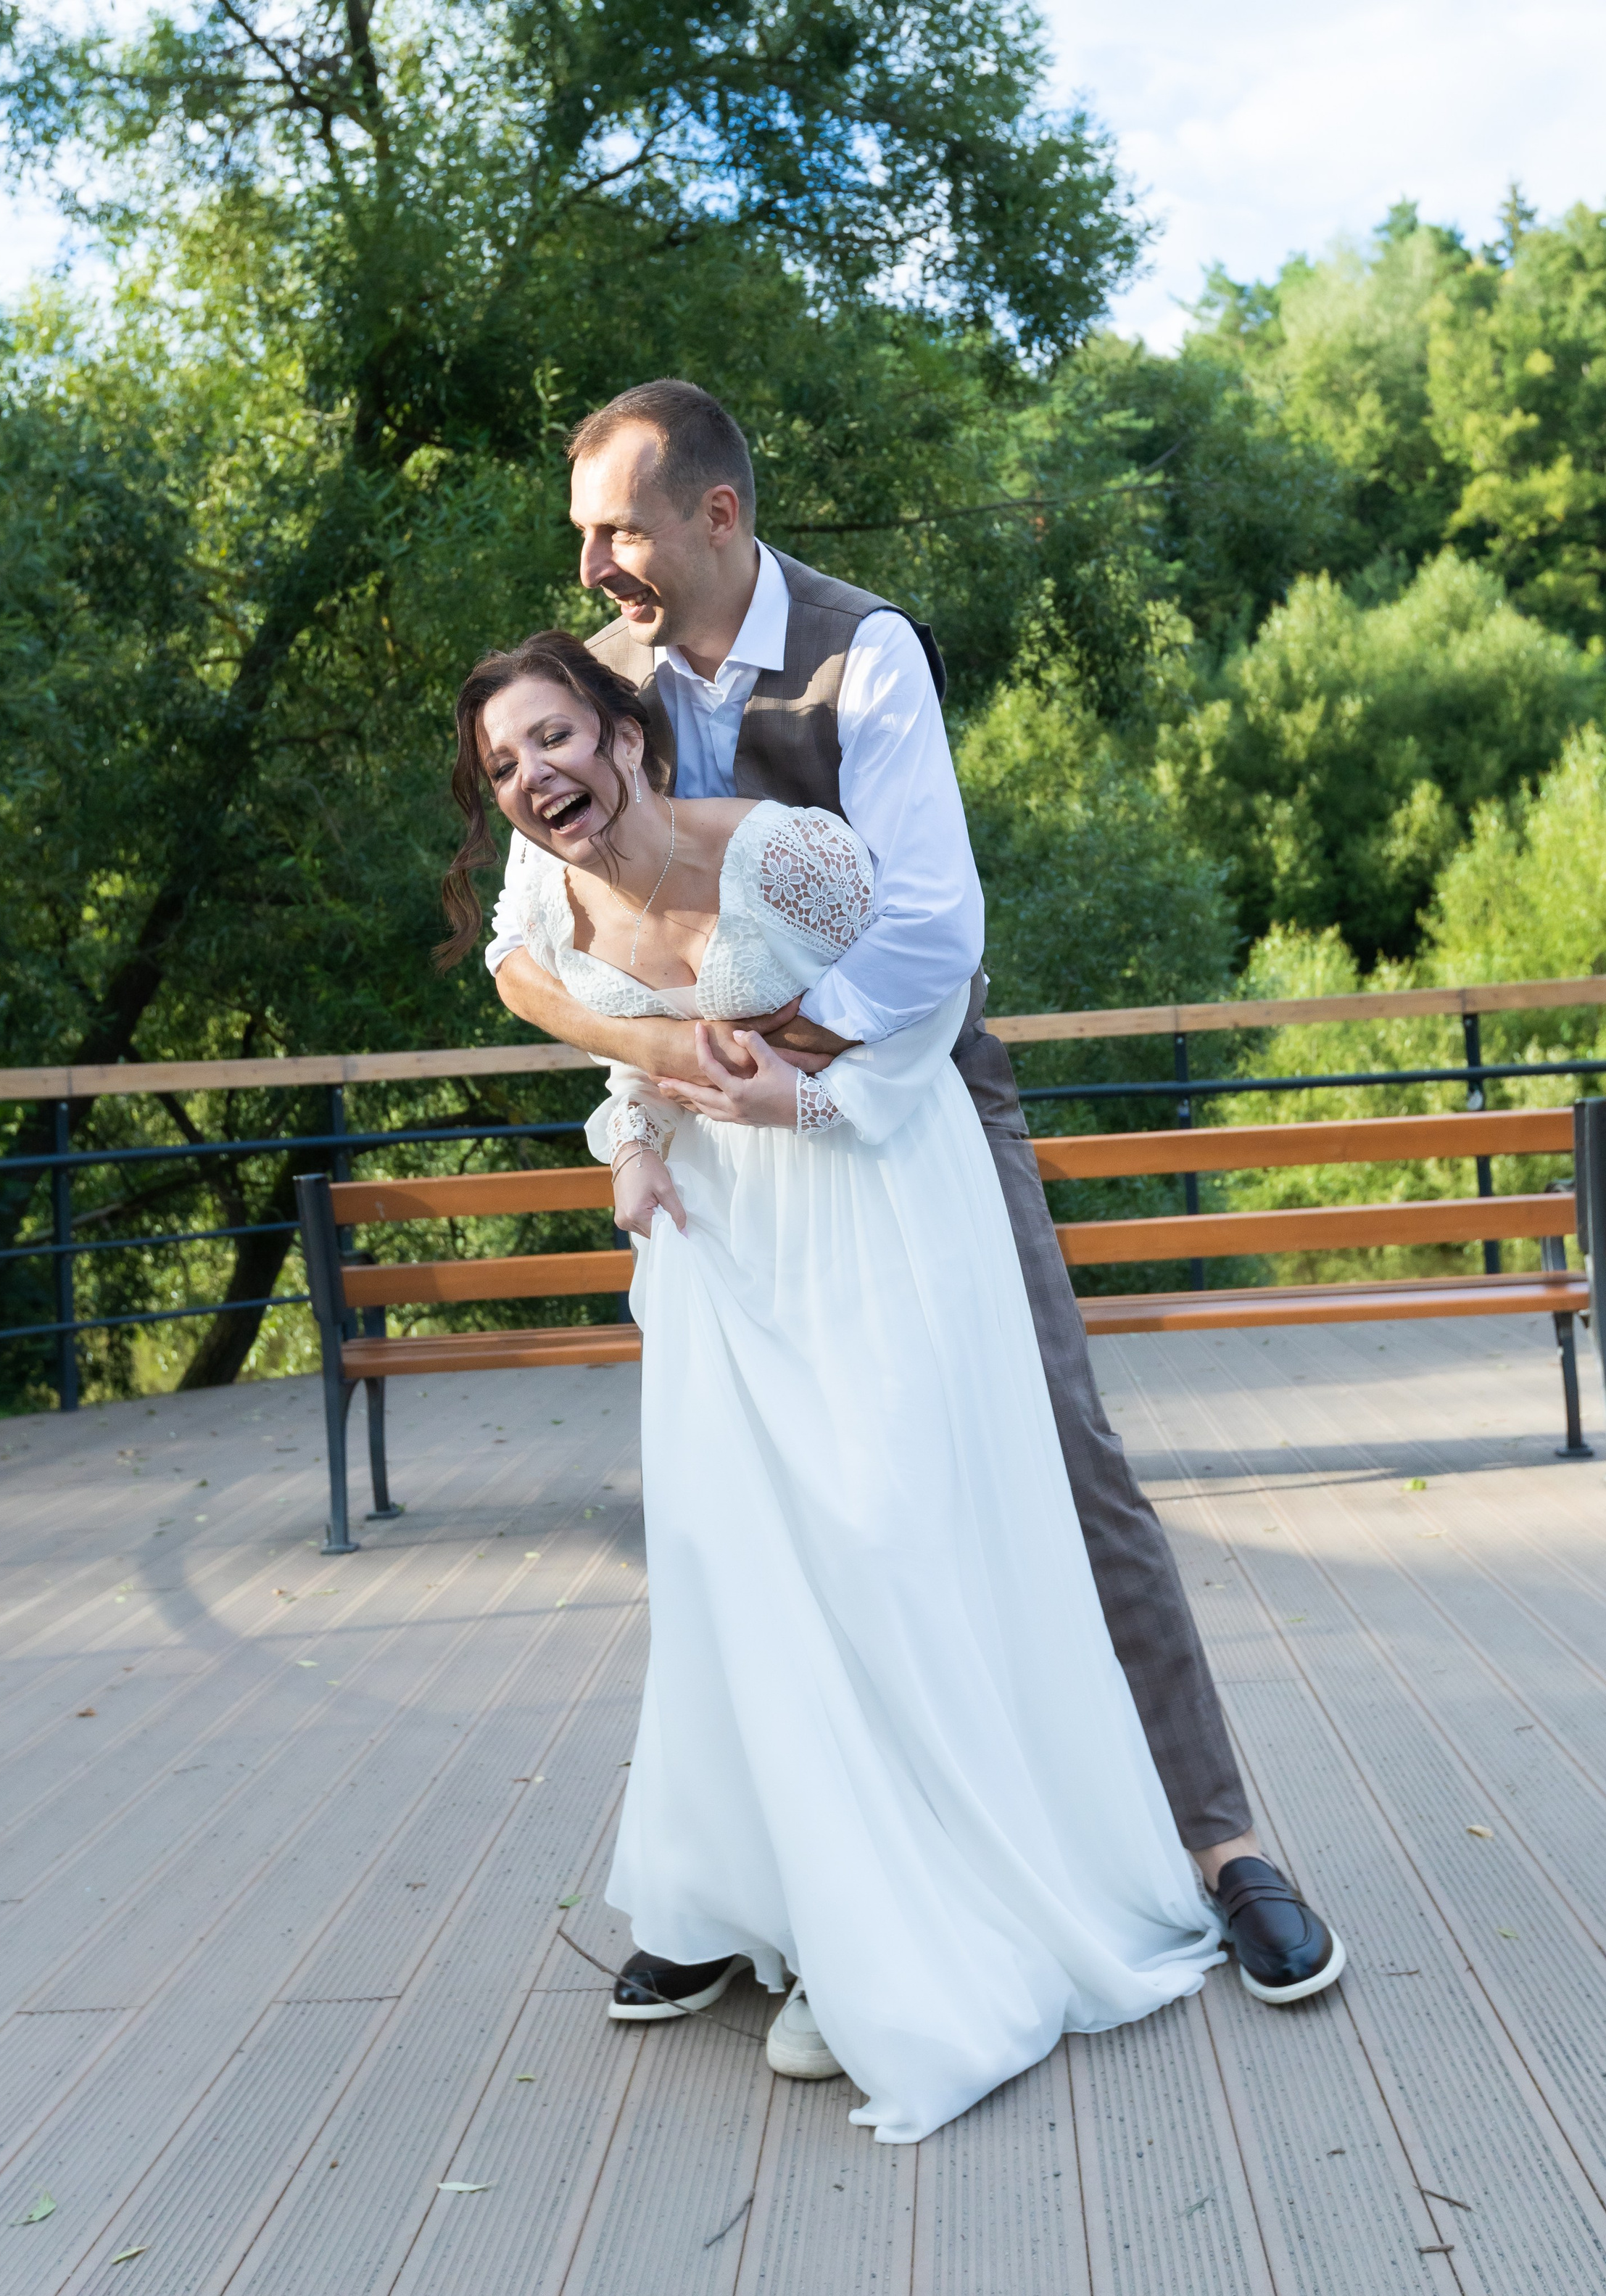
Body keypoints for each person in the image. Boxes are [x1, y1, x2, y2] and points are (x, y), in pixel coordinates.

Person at [482, 381, 1345, 2025]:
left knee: (1056, 1453)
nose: (593, 564)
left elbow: (931, 932)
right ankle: (754, 1888)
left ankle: (1216, 1840)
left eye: (618, 530)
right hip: (730, 1168)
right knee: (761, 1514)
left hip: (903, 1111)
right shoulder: (588, 694)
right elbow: (531, 941)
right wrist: (665, 1050)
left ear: (715, 517)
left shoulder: (861, 653)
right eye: (583, 535)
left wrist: (800, 1073)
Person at [439, 631, 1231, 2144]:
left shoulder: (787, 853)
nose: (532, 774)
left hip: (864, 1198)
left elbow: (929, 1004)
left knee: (877, 1538)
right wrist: (629, 1156)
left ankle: (907, 1911)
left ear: (626, 732)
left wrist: (807, 1093)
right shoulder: (550, 886)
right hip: (722, 1247)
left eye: (552, 736)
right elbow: (609, 1047)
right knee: (742, 1566)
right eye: (501, 763)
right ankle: (791, 1904)